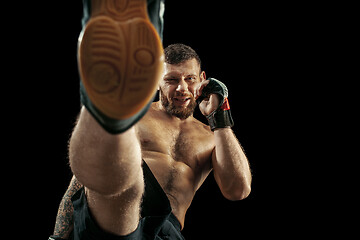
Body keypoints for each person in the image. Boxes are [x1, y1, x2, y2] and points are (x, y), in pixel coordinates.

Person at [50, 0, 252, 239]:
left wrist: (220, 118)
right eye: (171, 80)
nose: (182, 88)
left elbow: (237, 190)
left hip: (165, 233)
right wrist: (57, 236)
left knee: (130, 186)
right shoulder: (138, 117)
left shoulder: (211, 136)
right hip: (113, 221)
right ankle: (105, 105)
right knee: (129, 186)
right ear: (156, 80)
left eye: (190, 79)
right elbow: (81, 180)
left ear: (203, 79)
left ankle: (107, 103)